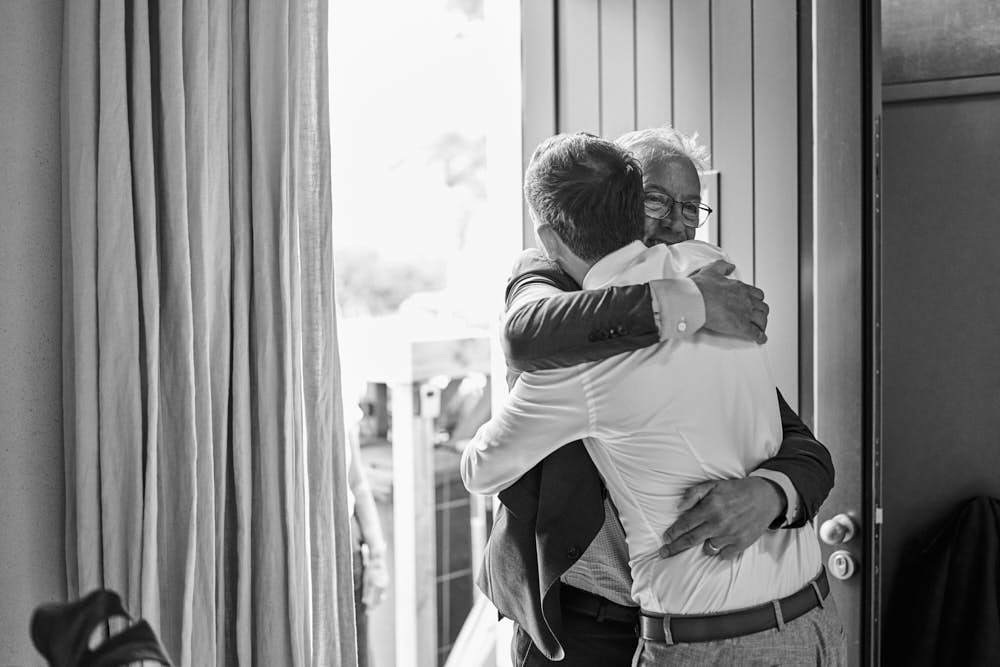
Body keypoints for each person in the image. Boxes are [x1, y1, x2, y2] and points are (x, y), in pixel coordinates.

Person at [463, 132, 844, 665]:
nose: (675, 224)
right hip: (582, 620)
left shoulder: (717, 298)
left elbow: (806, 450)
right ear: (619, 204)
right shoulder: (565, 293)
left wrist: (771, 494)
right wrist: (683, 302)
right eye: (656, 200)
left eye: (690, 207)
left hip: (693, 620)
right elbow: (525, 330)